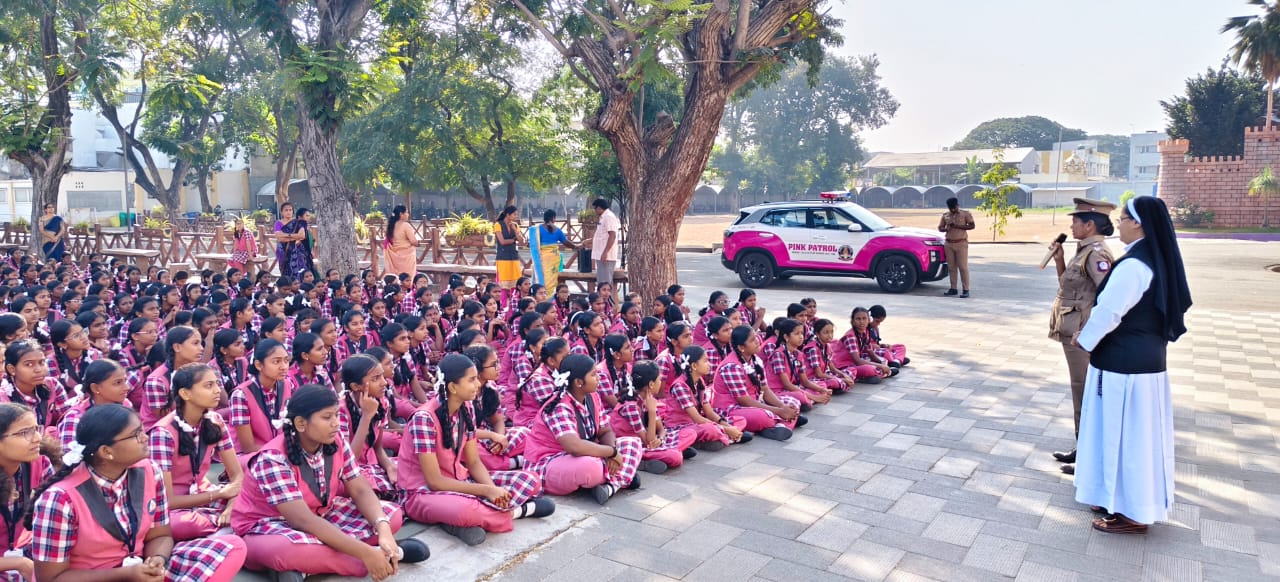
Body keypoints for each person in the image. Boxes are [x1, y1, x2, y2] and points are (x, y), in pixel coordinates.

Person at [1073, 196, 1191, 535]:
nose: (1119, 224)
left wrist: (1084, 339)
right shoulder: (1152, 258)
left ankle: (1134, 513)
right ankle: (1109, 496)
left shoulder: (1134, 265)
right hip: (1141, 364)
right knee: (1128, 437)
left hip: (1125, 369)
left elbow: (1109, 312)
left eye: (1123, 218)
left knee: (1124, 439)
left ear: (1138, 224)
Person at [29, 404, 248, 582]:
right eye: (136, 435)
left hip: (138, 568)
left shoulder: (150, 470)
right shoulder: (60, 498)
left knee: (231, 546)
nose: (145, 438)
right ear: (107, 452)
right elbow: (51, 578)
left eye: (142, 431)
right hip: (97, 577)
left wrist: (156, 560)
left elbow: (160, 535)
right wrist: (126, 575)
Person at [231, 386, 429, 579]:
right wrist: (365, 554)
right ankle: (381, 556)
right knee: (284, 550)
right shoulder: (272, 459)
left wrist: (383, 529)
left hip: (321, 514)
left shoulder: (335, 440)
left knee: (391, 515)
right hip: (269, 527)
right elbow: (302, 520)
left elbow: (360, 489)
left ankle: (308, 567)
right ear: (300, 423)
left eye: (336, 415)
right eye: (327, 417)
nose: (335, 423)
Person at [398, 354, 553, 546]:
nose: (478, 384)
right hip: (422, 493)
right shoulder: (424, 418)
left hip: (460, 481)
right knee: (466, 510)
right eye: (471, 380)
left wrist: (494, 492)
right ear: (452, 387)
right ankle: (518, 512)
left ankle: (465, 520)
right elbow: (435, 482)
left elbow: (473, 462)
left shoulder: (467, 407)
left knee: (531, 480)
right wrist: (486, 490)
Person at [1046, 198, 1116, 475]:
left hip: (1082, 334)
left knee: (1084, 392)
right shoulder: (1083, 251)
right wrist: (1059, 260)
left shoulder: (1097, 254)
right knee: (1081, 392)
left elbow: (1108, 296)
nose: (1072, 226)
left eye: (1075, 221)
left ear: (1089, 225)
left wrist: (1091, 331)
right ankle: (1083, 446)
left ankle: (1089, 456)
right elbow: (1069, 287)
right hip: (1074, 331)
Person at [529, 210, 576, 289]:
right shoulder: (557, 230)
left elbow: (531, 244)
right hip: (553, 259)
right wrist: (576, 246)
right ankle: (550, 294)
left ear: (544, 218)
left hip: (541, 259)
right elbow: (566, 242)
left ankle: (540, 293)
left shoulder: (537, 229)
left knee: (540, 277)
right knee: (551, 279)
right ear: (553, 218)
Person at [938, 197, 975, 297]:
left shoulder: (965, 214)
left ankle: (966, 289)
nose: (953, 210)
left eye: (954, 208)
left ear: (957, 205)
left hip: (961, 243)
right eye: (951, 208)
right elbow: (940, 228)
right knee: (951, 267)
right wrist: (946, 229)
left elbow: (972, 226)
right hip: (949, 244)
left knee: (963, 267)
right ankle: (953, 288)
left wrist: (957, 226)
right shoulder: (945, 215)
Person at [494, 206, 526, 304]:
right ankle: (503, 305)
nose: (516, 216)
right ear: (508, 215)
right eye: (514, 214)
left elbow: (522, 242)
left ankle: (514, 304)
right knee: (503, 286)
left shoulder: (515, 225)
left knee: (515, 284)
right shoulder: (498, 224)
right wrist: (513, 240)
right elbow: (502, 241)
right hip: (503, 258)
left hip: (514, 257)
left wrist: (515, 230)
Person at [590, 198, 621, 288]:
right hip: (601, 255)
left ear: (599, 208)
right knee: (601, 283)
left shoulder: (608, 217)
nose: (595, 211)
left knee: (605, 283)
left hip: (606, 256)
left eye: (595, 208)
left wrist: (605, 253)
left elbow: (612, 235)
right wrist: (588, 241)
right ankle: (603, 297)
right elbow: (601, 236)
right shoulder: (603, 218)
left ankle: (607, 298)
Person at [383, 205, 419, 277]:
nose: (408, 214)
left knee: (397, 277)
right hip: (406, 257)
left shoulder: (391, 225)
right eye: (407, 212)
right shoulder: (405, 225)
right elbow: (413, 241)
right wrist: (418, 243)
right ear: (401, 214)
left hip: (394, 257)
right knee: (407, 277)